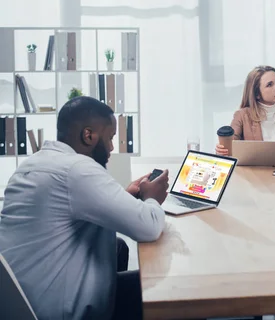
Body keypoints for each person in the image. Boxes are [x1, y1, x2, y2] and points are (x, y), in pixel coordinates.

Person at [0, 96, 170, 320]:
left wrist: (125, 196)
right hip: (58, 312)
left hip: (23, 304)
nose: (111, 147)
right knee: (175, 291)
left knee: (122, 252)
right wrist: (152, 198)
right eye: (110, 138)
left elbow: (71, 207)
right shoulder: (77, 169)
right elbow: (148, 227)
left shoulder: (34, 164)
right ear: (88, 135)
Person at [216, 65, 275, 156]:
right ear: (257, 94)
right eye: (270, 85)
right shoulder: (242, 116)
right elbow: (231, 147)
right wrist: (222, 150)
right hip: (252, 171)